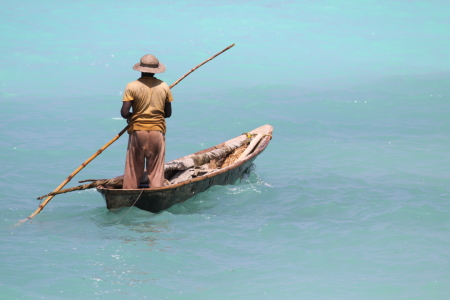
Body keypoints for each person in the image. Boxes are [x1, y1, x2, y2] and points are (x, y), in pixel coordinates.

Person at [120, 54, 173, 189]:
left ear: (141, 69)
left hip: (138, 132)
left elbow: (124, 113)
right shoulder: (164, 86)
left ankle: (129, 193)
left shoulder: (132, 86)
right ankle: (155, 193)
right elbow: (168, 113)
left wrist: (133, 115)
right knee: (155, 170)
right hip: (157, 131)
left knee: (133, 169)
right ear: (156, 70)